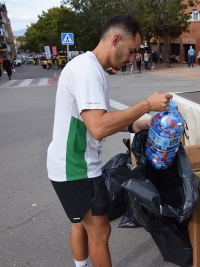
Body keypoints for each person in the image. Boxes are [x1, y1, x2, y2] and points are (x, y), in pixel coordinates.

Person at [46, 14, 172, 267]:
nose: (132, 58)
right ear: (116, 39)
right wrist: (147, 104)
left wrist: (132, 124)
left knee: (80, 223)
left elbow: (94, 120)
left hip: (66, 164)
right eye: (132, 50)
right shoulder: (88, 70)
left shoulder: (90, 67)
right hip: (76, 167)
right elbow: (99, 128)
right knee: (100, 232)